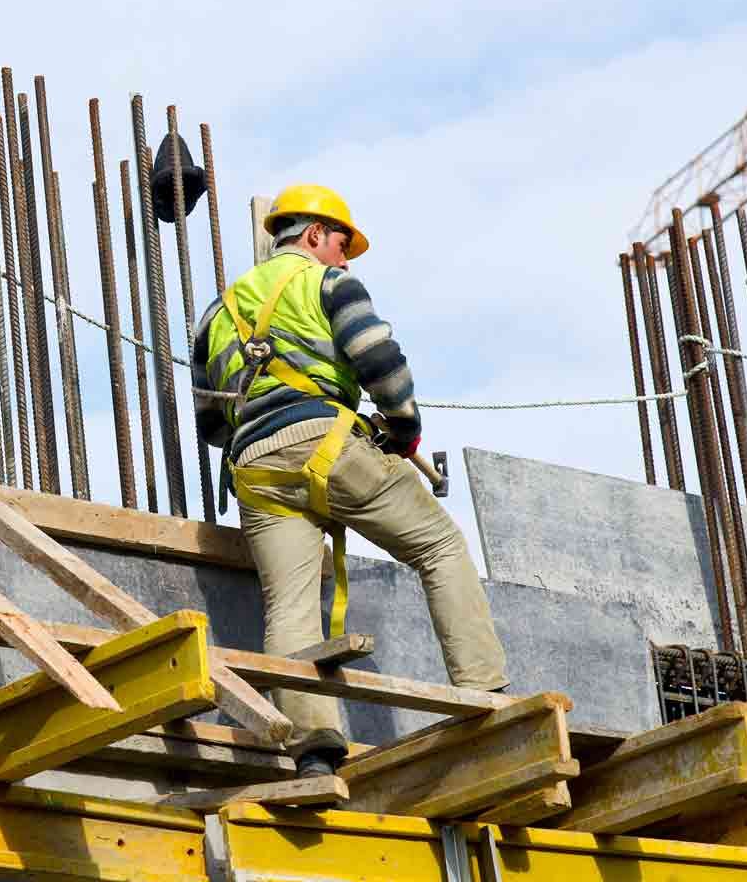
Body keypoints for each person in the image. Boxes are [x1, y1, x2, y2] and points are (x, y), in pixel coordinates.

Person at [191, 184, 509, 776]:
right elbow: (379, 360)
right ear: (313, 235)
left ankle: (313, 749)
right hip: (329, 445)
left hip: (256, 469)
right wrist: (405, 428)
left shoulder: (216, 313)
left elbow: (211, 421)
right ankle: (486, 696)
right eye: (341, 244)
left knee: (288, 605)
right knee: (439, 546)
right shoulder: (328, 283)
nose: (344, 258)